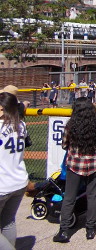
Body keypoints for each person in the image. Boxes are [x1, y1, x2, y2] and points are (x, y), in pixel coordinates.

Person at [53, 97, 96, 243]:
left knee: (69, 197)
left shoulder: (71, 124)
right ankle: (90, 229)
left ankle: (64, 231)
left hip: (75, 164)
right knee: (93, 195)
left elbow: (64, 144)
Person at [0, 92, 31, 249]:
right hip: (19, 181)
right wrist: (22, 106)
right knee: (8, 221)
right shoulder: (21, 125)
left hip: (2, 185)